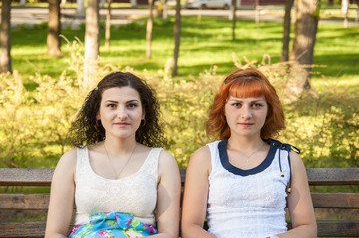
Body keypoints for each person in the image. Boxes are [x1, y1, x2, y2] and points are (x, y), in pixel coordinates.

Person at [181, 68, 317, 238]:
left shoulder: (287, 159)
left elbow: (307, 228)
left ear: (269, 111)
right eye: (237, 104)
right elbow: (190, 227)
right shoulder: (205, 158)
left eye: (256, 105)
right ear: (223, 109)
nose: (246, 114)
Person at [45, 72, 181, 238]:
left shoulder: (162, 161)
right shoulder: (72, 160)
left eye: (131, 105)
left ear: (143, 113)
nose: (122, 114)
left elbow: (169, 234)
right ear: (97, 113)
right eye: (111, 105)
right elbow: (54, 233)